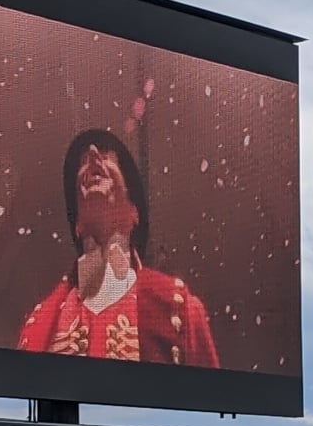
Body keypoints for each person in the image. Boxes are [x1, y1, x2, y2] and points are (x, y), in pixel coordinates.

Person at [16, 129, 219, 367]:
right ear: (77, 225)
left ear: (134, 212)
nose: (93, 156)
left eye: (108, 158)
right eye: (83, 164)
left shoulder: (180, 309)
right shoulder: (39, 325)